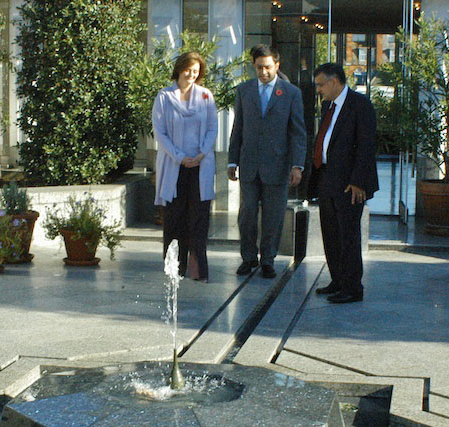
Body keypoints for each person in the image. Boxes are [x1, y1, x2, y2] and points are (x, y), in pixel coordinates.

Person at [228, 44, 306, 279]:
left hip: (278, 165)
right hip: (250, 164)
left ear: (277, 66)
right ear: (254, 67)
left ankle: (268, 259)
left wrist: (297, 165)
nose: (263, 72)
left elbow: (297, 132)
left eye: (268, 67)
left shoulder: (291, 93)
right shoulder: (244, 91)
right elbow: (237, 128)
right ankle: (248, 258)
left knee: (273, 216)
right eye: (259, 68)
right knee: (247, 214)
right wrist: (232, 162)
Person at [308, 63, 378, 303]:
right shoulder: (328, 106)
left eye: (320, 84)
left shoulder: (360, 105)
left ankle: (352, 287)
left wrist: (358, 182)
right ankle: (337, 279)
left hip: (349, 183)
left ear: (334, 82)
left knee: (348, 235)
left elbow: (367, 146)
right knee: (331, 234)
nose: (318, 89)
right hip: (327, 178)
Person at [153, 52, 218, 281]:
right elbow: (159, 133)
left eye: (196, 70)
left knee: (198, 220)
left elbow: (212, 128)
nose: (191, 74)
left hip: (200, 166)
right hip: (174, 166)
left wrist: (201, 153)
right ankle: (173, 270)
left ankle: (198, 271)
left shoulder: (206, 97)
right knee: (173, 220)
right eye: (188, 69)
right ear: (179, 69)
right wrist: (179, 157)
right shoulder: (163, 97)